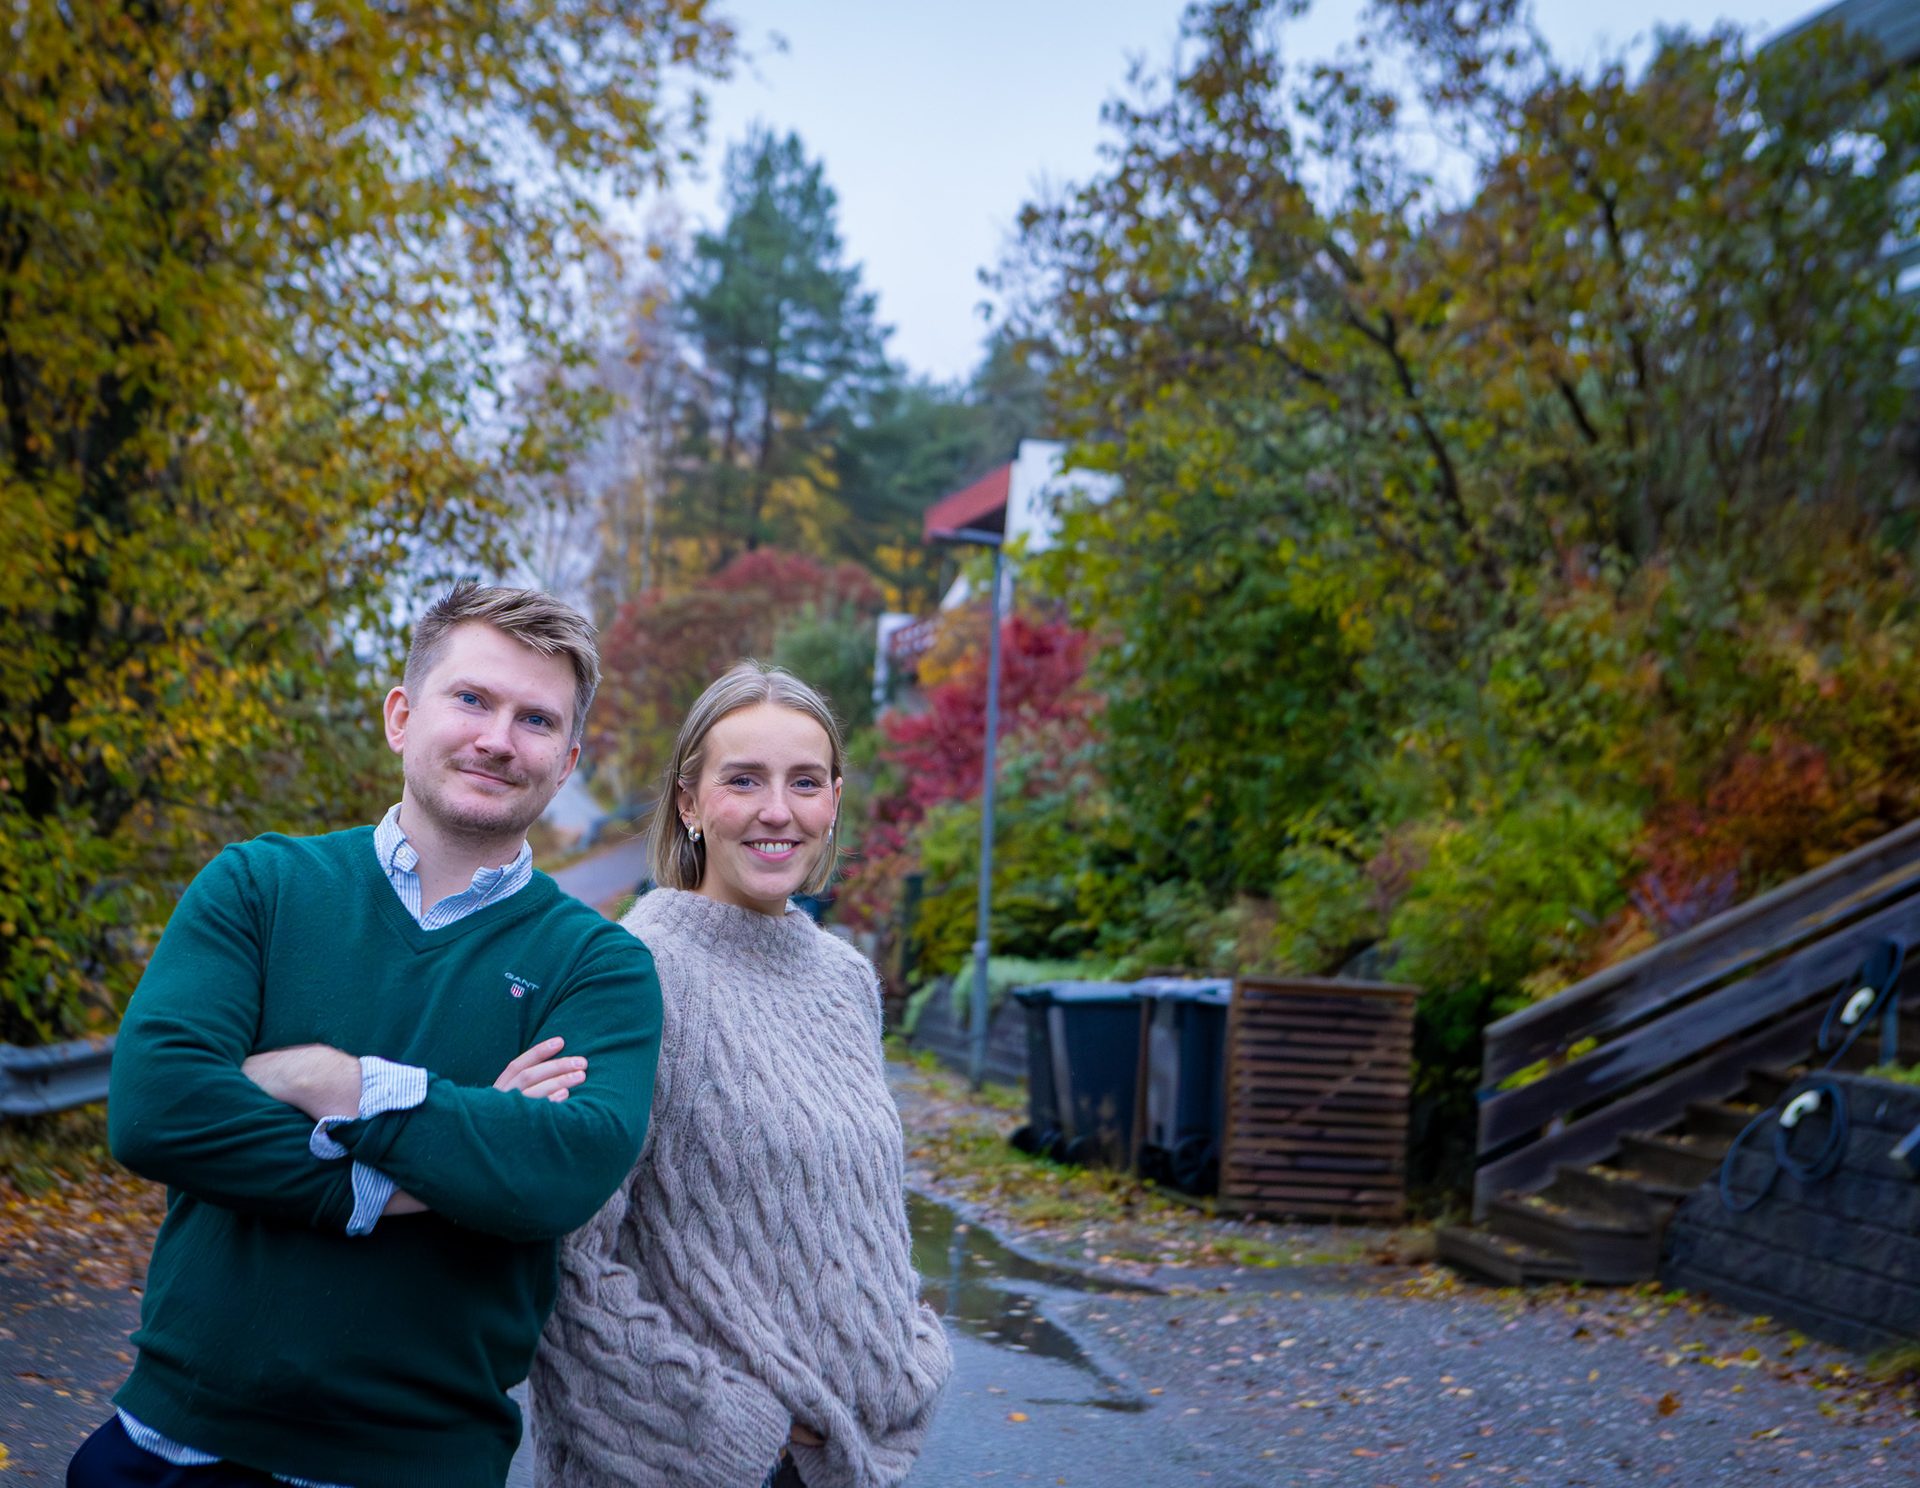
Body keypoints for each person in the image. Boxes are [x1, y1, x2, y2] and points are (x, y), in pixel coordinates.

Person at [72, 584, 664, 1488]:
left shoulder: (601, 965)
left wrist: (332, 1080)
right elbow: (157, 1109)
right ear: (401, 715)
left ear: (567, 758)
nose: (498, 739)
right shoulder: (260, 888)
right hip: (171, 1446)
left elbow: (562, 1170)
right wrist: (430, 1165)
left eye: (535, 720)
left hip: (418, 1462)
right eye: (471, 699)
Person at [530, 662, 953, 1488]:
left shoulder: (845, 979)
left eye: (804, 782)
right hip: (695, 1465)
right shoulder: (630, 974)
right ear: (689, 802)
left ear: (834, 800)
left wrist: (912, 1359)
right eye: (744, 780)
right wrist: (739, 1434)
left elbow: (858, 1212)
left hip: (854, 1460)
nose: (777, 811)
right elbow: (564, 1265)